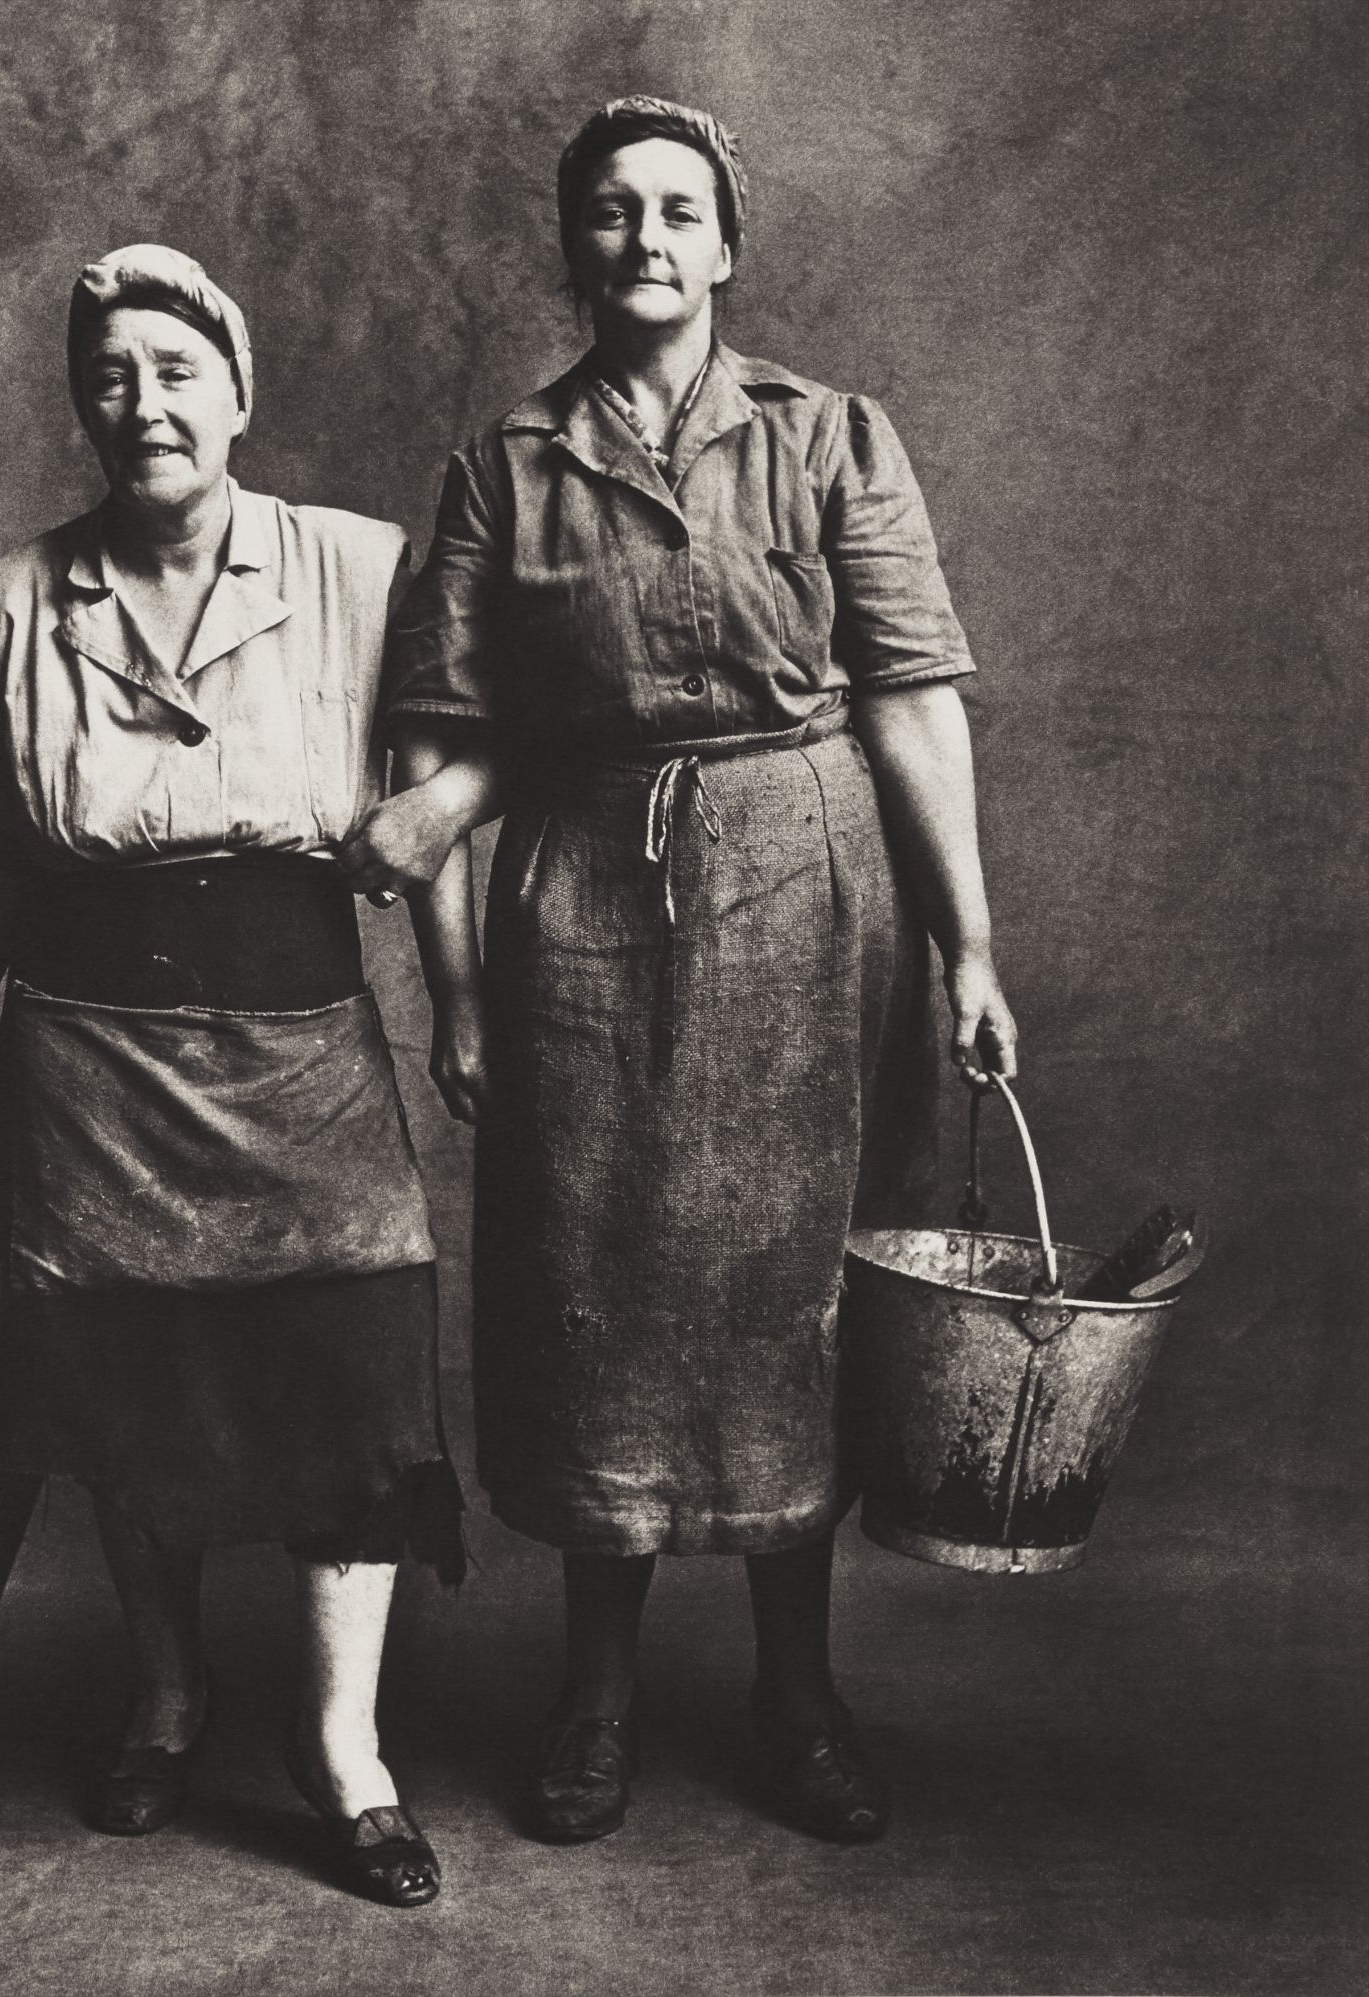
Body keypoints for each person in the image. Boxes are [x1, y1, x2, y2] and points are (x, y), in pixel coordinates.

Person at [341, 97, 1017, 1846]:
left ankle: (799, 1689)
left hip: (808, 894)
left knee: (792, 1289)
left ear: (726, 246)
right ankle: (597, 1691)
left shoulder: (832, 438)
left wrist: (970, 942)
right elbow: (437, 739)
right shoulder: (505, 468)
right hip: (575, 906)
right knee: (592, 1281)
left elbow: (912, 703)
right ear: (572, 248)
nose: (646, 236)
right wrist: (462, 993)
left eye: (678, 210)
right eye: (611, 211)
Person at [0, 244, 460, 1908]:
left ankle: (346, 1747)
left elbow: (474, 748)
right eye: (112, 375)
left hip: (304, 1059)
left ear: (241, 392)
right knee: (134, 1402)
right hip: (89, 1075)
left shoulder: (357, 567)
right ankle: (170, 1692)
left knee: (352, 1387)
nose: (146, 405)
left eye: (178, 371)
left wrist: (455, 948)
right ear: (83, 403)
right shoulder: (7, 603)